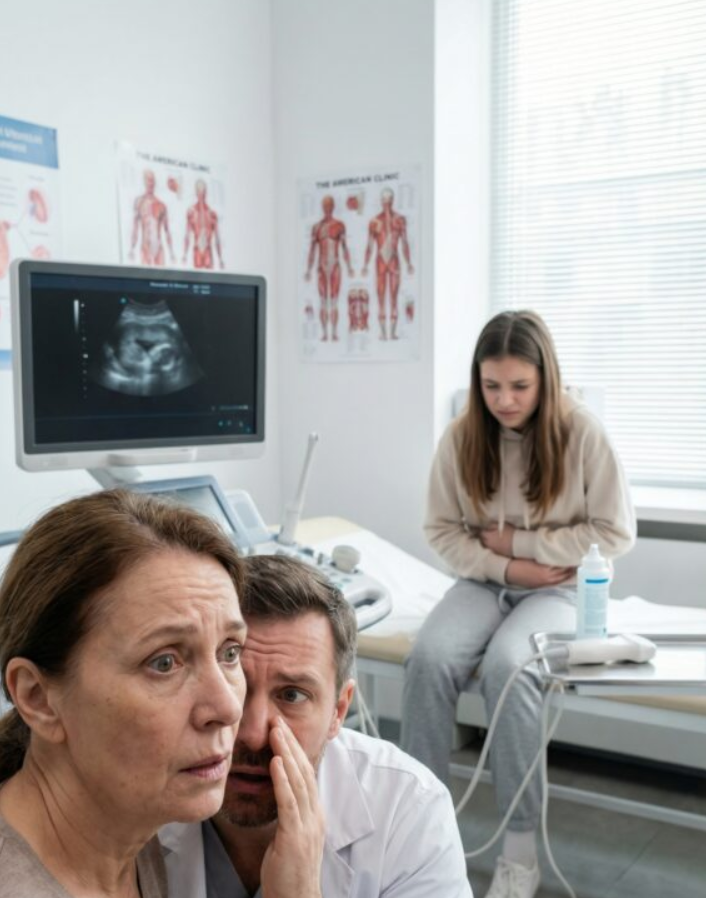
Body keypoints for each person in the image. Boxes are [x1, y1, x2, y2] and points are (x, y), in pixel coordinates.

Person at [400, 310, 636, 898]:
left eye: (519, 386)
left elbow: (614, 532)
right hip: (484, 583)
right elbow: (441, 531)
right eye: (491, 385)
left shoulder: (582, 433)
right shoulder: (461, 436)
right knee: (428, 658)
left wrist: (524, 547)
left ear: (545, 380)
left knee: (512, 667)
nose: (504, 399)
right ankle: (415, 834)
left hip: (559, 589)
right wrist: (506, 565)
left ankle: (519, 853)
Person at [162, 554, 473, 898]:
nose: (251, 733)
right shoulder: (135, 793)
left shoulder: (410, 810)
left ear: (338, 711)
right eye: (237, 683)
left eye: (292, 695)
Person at [0, 489, 248, 897]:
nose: (225, 707)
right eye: (164, 663)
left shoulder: (130, 830)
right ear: (37, 698)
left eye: (230, 652)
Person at [361, 187, 414, 341]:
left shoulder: (399, 220)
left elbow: (404, 243)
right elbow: (370, 245)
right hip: (380, 262)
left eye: (389, 200)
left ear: (392, 201)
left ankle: (392, 333)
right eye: (385, 200)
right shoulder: (374, 222)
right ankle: (384, 334)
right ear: (381, 201)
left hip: (394, 261)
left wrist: (409, 262)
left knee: (394, 297)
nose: (387, 203)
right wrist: (364, 264)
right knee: (381, 297)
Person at [304, 195, 354, 342]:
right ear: (322, 207)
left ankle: (334, 333)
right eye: (325, 205)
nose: (327, 208)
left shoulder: (340, 225)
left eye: (330, 205)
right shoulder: (317, 227)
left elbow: (345, 248)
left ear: (333, 207)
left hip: (335, 266)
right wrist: (308, 269)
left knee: (333, 301)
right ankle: (325, 333)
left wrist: (349, 266)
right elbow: (312, 250)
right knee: (323, 301)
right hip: (321, 266)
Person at [129, 169, 175, 266]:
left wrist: (171, 252)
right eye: (149, 180)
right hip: (145, 248)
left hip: (159, 249)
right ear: (144, 181)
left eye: (153, 180)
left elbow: (167, 231)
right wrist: (131, 248)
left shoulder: (161, 205)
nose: (151, 183)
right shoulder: (139, 202)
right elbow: (135, 228)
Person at [182, 179, 225, 270]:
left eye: (203, 191)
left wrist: (220, 258)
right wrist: (184, 254)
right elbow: (187, 235)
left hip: (208, 252)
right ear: (196, 192)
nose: (201, 194)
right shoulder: (191, 213)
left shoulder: (212, 214)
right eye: (199, 191)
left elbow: (217, 239)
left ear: (206, 192)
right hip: (197, 251)